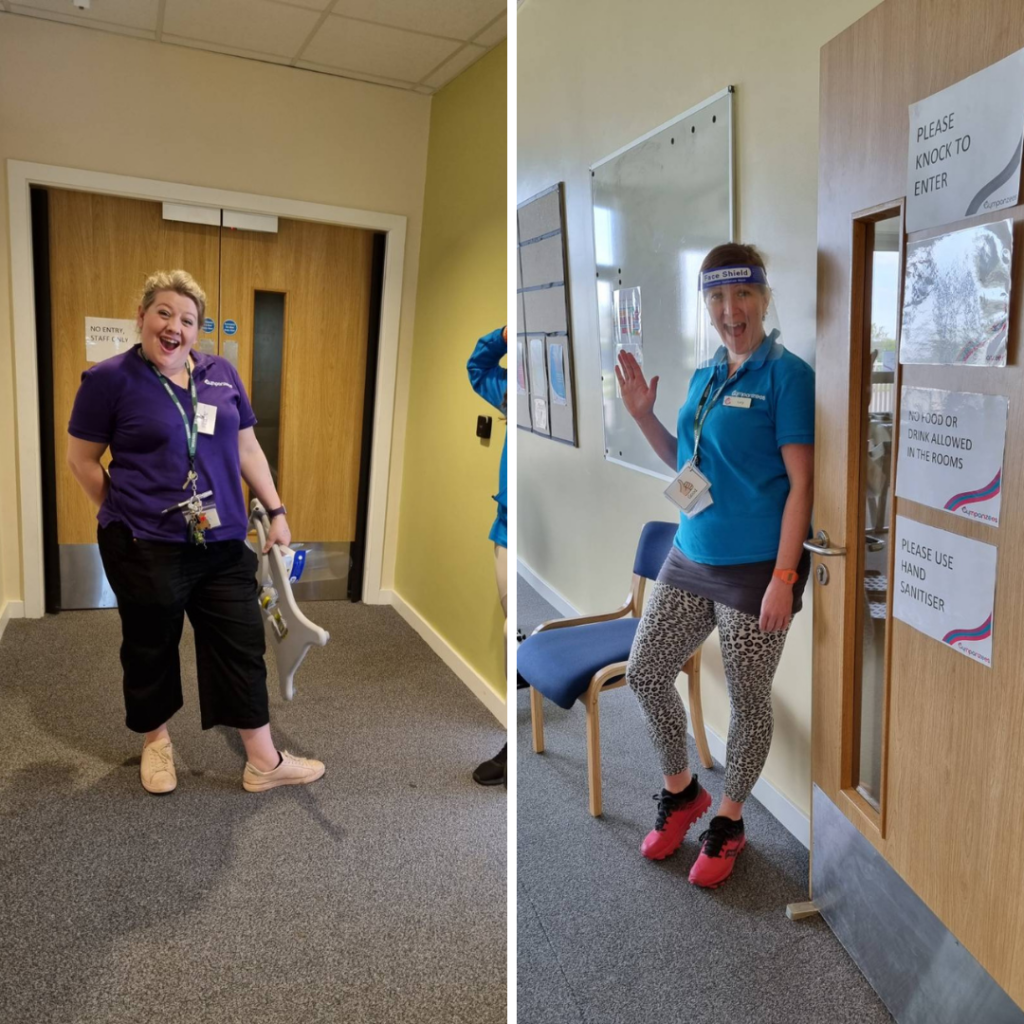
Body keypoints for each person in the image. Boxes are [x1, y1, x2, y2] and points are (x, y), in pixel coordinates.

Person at [66, 269, 325, 795]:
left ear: (197, 331)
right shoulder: (109, 379)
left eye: (187, 319)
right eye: (163, 312)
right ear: (141, 317)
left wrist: (276, 511)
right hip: (144, 545)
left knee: (240, 642)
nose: (174, 326)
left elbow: (247, 449)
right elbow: (82, 459)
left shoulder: (221, 374)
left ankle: (263, 760)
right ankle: (156, 742)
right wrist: (121, 510)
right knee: (150, 643)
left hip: (223, 540)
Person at [615, 243, 814, 887]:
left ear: (762, 296)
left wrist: (785, 578)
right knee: (645, 672)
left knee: (749, 698)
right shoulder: (705, 378)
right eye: (717, 300)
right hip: (690, 549)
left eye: (742, 296)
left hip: (756, 568)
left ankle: (728, 820)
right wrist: (644, 417)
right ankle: (683, 795)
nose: (731, 311)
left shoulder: (788, 376)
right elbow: (686, 466)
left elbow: (801, 486)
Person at [467, 326, 508, 787]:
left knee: (514, 627)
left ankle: (511, 740)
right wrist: (499, 333)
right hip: (506, 527)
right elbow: (476, 367)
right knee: (507, 625)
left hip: (538, 530)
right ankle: (510, 733)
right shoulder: (510, 390)